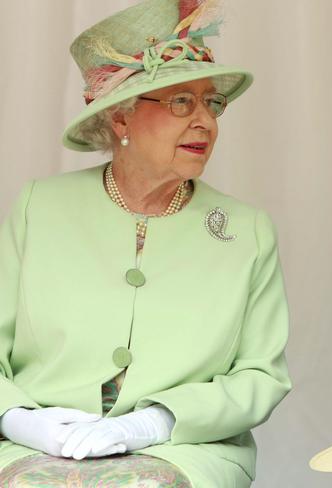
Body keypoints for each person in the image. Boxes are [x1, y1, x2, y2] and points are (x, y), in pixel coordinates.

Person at [0, 0, 291, 486]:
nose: (205, 121)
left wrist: (154, 422)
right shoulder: (39, 208)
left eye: (211, 102)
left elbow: (262, 377)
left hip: (187, 450)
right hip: (34, 444)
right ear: (120, 120)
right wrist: (21, 419)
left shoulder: (247, 230)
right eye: (181, 101)